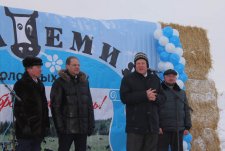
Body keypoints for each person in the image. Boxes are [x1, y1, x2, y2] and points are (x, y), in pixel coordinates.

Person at [50, 56, 95, 151]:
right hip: (66, 129)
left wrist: (91, 124)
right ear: (67, 66)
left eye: (78, 65)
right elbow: (55, 108)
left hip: (82, 129)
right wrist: (60, 128)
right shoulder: (59, 83)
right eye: (74, 65)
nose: (77, 67)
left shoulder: (84, 82)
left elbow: (89, 105)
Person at [120, 52, 162, 151]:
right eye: (138, 63)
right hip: (135, 128)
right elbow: (124, 98)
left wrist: (155, 98)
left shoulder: (155, 79)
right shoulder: (127, 79)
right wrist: (144, 95)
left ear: (147, 65)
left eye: (143, 63)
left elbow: (163, 98)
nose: (141, 65)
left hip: (152, 127)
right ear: (135, 65)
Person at [13, 56, 50, 151]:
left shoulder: (40, 84)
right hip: (26, 133)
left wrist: (46, 125)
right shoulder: (21, 84)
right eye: (37, 67)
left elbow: (44, 106)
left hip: (38, 131)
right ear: (29, 69)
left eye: (40, 67)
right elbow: (18, 109)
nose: (40, 70)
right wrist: (25, 127)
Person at [158, 69, 192, 151]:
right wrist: (157, 126)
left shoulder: (181, 93)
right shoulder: (159, 91)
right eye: (169, 76)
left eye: (173, 76)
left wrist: (187, 126)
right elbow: (155, 110)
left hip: (178, 129)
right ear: (164, 77)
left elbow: (186, 110)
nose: (171, 78)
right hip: (163, 129)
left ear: (176, 78)